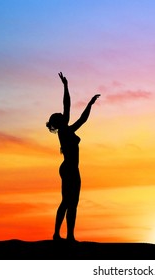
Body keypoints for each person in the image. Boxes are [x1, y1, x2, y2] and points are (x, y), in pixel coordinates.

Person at [46, 72, 100, 242]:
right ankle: (59, 235)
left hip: (71, 168)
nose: (63, 115)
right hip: (69, 168)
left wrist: (89, 103)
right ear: (59, 121)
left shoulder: (67, 130)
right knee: (68, 202)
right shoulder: (64, 131)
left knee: (71, 203)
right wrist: (65, 86)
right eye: (61, 116)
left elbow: (79, 117)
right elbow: (69, 107)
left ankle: (68, 235)